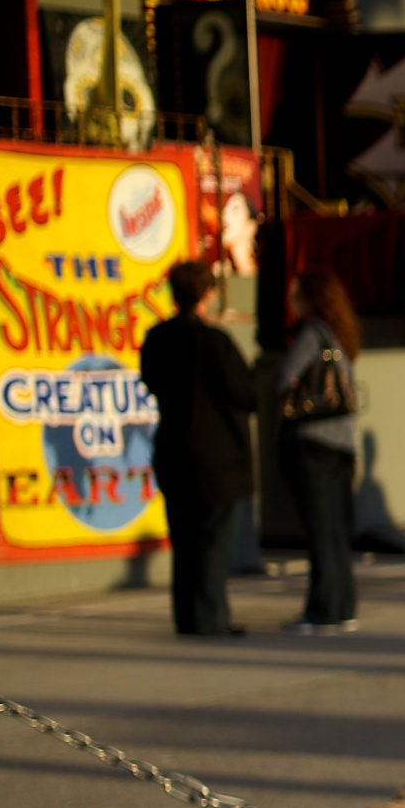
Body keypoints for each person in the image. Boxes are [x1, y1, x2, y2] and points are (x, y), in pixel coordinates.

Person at [141, 261, 257, 638]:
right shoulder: (214, 341)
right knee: (214, 541)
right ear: (208, 294)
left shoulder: (157, 338)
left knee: (185, 539)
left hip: (174, 448)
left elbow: (152, 381)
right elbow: (245, 393)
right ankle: (210, 617)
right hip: (218, 455)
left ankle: (188, 616)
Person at [272, 270, 362, 634]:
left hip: (313, 441)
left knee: (319, 530)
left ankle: (322, 609)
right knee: (337, 529)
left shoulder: (311, 335)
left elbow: (282, 379)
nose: (291, 304)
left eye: (296, 297)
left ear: (311, 300)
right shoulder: (342, 334)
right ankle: (343, 605)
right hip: (344, 442)